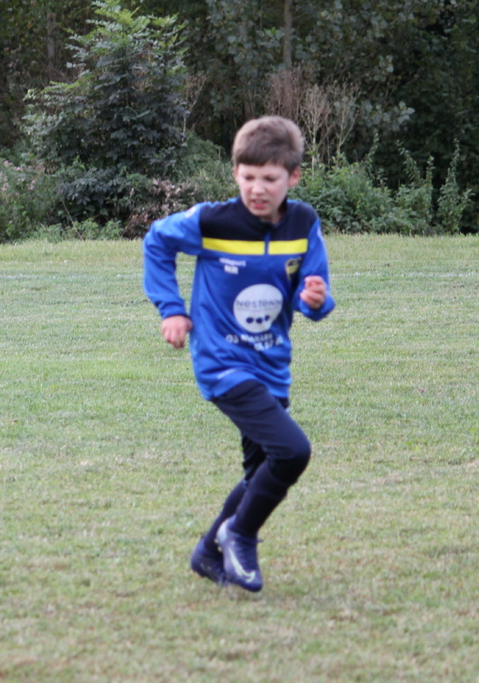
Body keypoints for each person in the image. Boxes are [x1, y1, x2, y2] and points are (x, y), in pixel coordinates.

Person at [142, 115, 334, 593]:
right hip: (222, 364)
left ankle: (208, 552)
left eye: (269, 178)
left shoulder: (303, 223)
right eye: (248, 177)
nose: (257, 189)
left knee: (259, 474)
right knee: (292, 452)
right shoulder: (213, 221)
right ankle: (240, 535)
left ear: (293, 177)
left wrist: (315, 299)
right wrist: (172, 309)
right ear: (235, 174)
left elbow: (314, 293)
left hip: (272, 365)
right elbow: (157, 241)